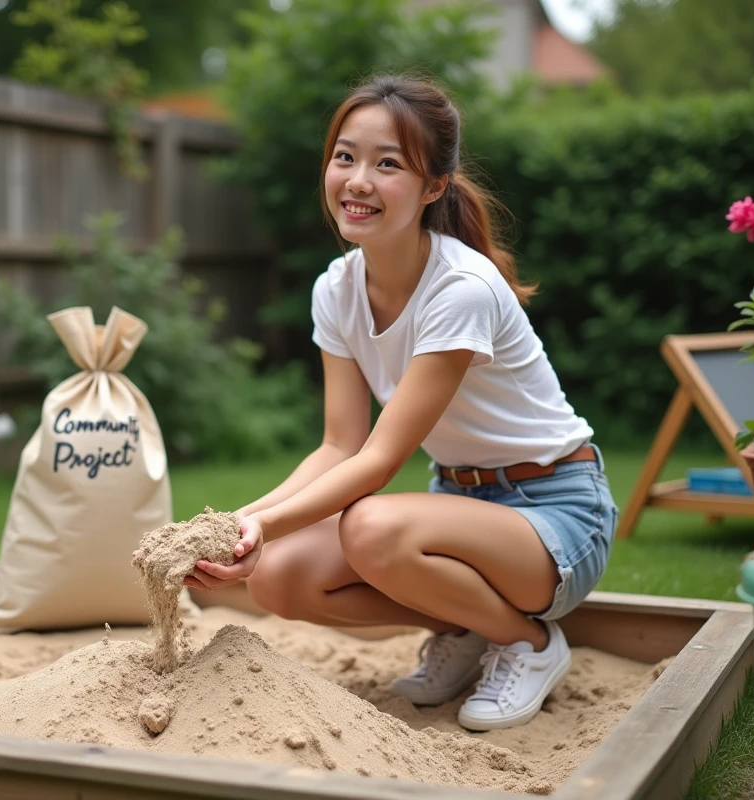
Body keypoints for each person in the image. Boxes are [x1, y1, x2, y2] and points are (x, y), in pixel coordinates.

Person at [185, 73, 618, 732]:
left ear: (433, 186)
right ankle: (471, 626)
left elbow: (382, 457)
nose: (357, 180)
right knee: (273, 578)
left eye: (387, 164)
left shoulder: (461, 289)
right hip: (460, 508)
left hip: (556, 514)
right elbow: (339, 445)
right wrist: (240, 525)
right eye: (345, 156)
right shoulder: (336, 289)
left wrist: (265, 525)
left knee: (370, 527)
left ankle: (526, 642)